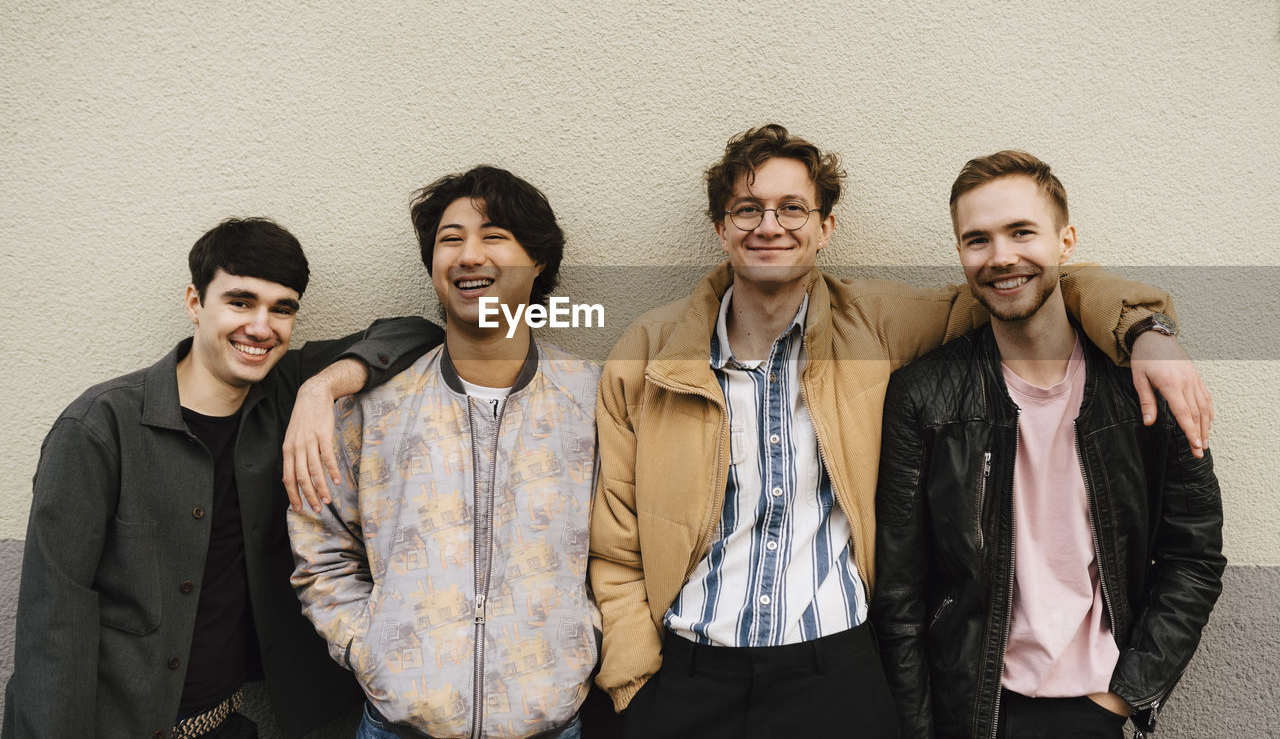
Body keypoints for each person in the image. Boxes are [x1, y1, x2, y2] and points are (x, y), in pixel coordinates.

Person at [588, 125, 1213, 738]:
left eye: (791, 208)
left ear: (826, 226)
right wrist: (634, 682)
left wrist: (1143, 329)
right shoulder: (648, 352)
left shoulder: (879, 324)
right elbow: (613, 542)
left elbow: (1028, 285)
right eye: (747, 209)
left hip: (835, 671)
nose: (770, 225)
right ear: (721, 228)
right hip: (689, 674)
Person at [2, 218, 444, 738]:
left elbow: (420, 334)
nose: (262, 327)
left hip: (226, 724)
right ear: (195, 302)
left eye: (282, 308)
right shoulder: (101, 427)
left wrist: (320, 389)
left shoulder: (285, 390)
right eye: (240, 302)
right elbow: (54, 616)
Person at [872, 150, 1224, 739]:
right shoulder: (923, 396)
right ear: (960, 254)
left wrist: (1124, 696)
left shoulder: (1144, 385)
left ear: (1066, 241)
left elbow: (1193, 558)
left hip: (1092, 706)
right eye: (977, 239)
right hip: (974, 707)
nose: (1001, 256)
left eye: (1021, 232)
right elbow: (901, 595)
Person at [289, 166, 600, 739]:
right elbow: (321, 547)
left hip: (549, 723)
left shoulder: (594, 397)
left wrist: (583, 642)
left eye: (494, 237)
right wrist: (369, 646)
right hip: (397, 724)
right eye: (450, 239)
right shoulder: (371, 403)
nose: (468, 255)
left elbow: (622, 552)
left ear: (539, 263)